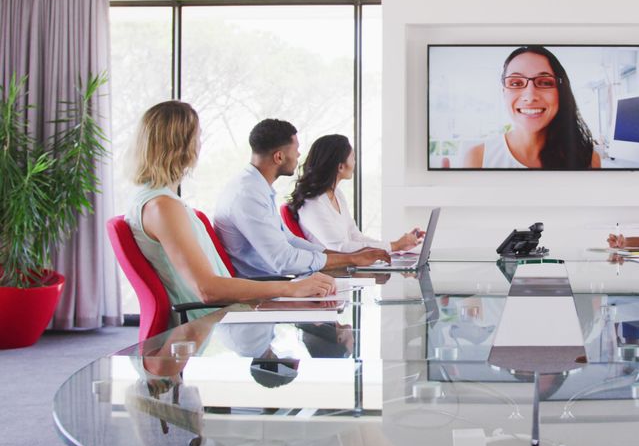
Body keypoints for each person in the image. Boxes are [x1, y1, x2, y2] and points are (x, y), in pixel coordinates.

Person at [124, 101, 335, 326]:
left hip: (215, 317)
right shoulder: (162, 207)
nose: (200, 144)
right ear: (182, 145)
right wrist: (291, 289)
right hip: (201, 327)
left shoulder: (157, 200)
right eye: (197, 137)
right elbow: (207, 290)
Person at [214, 119, 389, 279]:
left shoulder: (256, 188)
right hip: (264, 290)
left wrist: (346, 258)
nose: (299, 155)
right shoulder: (248, 195)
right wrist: (350, 258)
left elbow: (290, 240)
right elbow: (284, 260)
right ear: (279, 156)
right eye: (296, 149)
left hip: (275, 283)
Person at [463, 45, 601, 169]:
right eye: (516, 83)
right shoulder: (478, 158)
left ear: (561, 91)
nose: (530, 97)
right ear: (504, 93)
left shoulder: (589, 160)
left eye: (545, 83)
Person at [287, 134, 424, 253]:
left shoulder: (337, 194)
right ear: (340, 166)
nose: (355, 162)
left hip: (348, 268)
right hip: (331, 275)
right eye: (353, 157)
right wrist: (394, 246)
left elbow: (355, 237)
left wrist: (396, 246)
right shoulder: (312, 203)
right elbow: (340, 248)